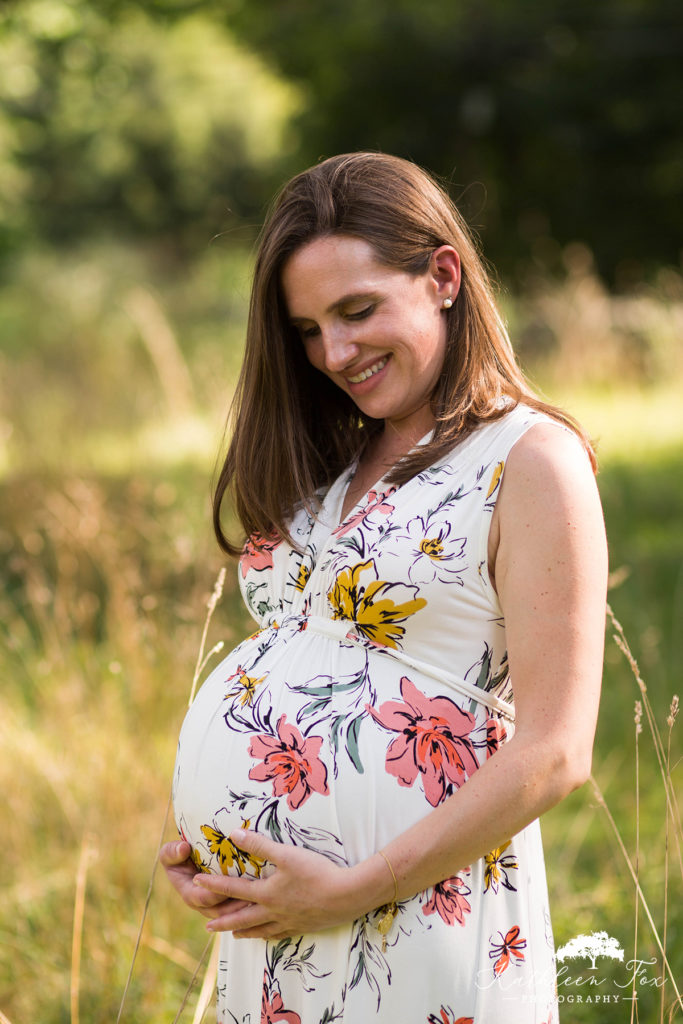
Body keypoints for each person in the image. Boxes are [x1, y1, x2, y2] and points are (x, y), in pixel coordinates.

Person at [161, 151, 607, 1024]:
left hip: (412, 918)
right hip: (280, 933)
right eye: (306, 329)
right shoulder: (328, 464)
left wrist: (351, 890)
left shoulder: (528, 458)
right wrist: (206, 841)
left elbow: (556, 751)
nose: (334, 351)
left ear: (443, 275)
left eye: (358, 310)